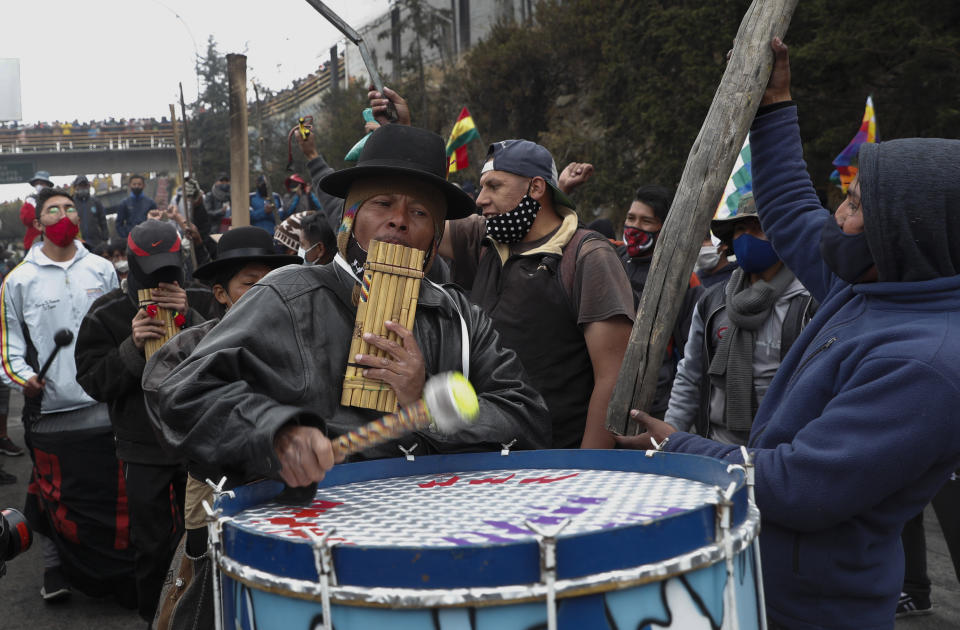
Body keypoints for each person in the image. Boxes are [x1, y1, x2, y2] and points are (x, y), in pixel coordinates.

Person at [622, 38, 960, 630]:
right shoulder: (866, 284)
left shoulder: (925, 364)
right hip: (762, 580)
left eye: (855, 206)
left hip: (819, 609)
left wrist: (675, 448)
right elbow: (788, 205)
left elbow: (801, 485)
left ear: (902, 233)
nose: (837, 214)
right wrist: (774, 104)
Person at [157, 124, 549, 489]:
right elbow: (183, 392)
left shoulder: (459, 316)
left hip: (434, 527)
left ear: (434, 235)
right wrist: (277, 433)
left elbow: (527, 418)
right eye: (382, 204)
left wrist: (424, 403)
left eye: (419, 212)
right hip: (317, 535)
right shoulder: (288, 295)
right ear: (350, 216)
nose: (398, 222)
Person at [142, 227, 301, 629]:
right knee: (206, 590)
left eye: (272, 282)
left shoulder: (300, 341)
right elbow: (171, 410)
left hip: (287, 486)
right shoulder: (187, 347)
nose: (264, 291)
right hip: (215, 486)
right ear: (220, 294)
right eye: (250, 283)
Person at [439, 139, 635, 449]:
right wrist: (397, 133)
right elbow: (418, 222)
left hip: (555, 463)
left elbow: (613, 378)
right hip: (483, 456)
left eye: (493, 186)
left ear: (536, 189)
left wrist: (587, 470)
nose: (480, 199)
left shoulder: (588, 256)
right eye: (481, 187)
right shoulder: (484, 239)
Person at [0, 187, 134, 604]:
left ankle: (124, 569)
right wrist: (26, 380)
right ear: (38, 224)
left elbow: (118, 333)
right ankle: (54, 567)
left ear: (80, 219)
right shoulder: (18, 280)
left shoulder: (102, 269)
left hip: (105, 404)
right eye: (53, 210)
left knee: (110, 493)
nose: (63, 215)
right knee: (50, 493)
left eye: (70, 209)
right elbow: (9, 352)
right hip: (51, 412)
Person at [74, 220, 209, 622]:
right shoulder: (107, 312)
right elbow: (93, 383)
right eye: (153, 271)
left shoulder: (200, 299)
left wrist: (194, 320)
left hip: (196, 440)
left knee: (201, 536)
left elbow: (228, 358)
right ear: (134, 266)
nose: (163, 280)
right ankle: (155, 617)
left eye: (170, 269)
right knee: (150, 544)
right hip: (141, 445)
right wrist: (132, 348)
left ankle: (200, 615)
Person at [664, 193, 814, 445]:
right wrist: (669, 436)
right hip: (715, 446)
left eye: (758, 229)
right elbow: (690, 376)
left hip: (780, 451)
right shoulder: (713, 303)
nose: (746, 238)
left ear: (782, 236)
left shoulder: (808, 304)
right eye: (741, 230)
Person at [616, 184, 703, 418]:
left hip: (651, 402)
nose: (634, 227)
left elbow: (691, 352)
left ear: (665, 227)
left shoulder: (682, 279)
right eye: (631, 218)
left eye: (646, 222)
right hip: (601, 388)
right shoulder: (611, 259)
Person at [19, 170, 54, 250]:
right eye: (37, 183)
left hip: (52, 243)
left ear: (47, 185)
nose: (39, 186)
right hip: (33, 244)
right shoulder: (30, 200)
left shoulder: (55, 200)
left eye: (42, 183)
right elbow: (27, 220)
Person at [72, 175, 108, 247]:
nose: (83, 187)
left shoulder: (96, 202)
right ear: (75, 187)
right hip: (78, 244)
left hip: (96, 242)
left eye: (85, 185)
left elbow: (103, 221)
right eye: (80, 185)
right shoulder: (71, 203)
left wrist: (105, 238)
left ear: (88, 186)